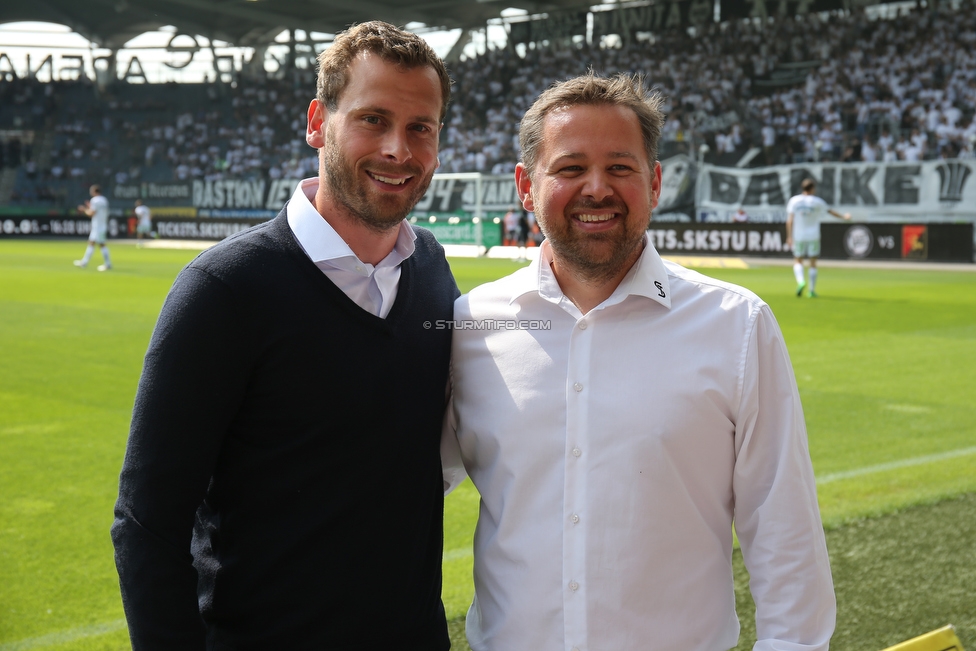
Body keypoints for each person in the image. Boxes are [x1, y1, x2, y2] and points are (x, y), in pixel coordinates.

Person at [445, 73, 836, 651]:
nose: (597, 188)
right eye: (571, 168)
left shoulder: (737, 324)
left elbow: (784, 533)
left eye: (620, 168)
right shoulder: (471, 325)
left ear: (654, 182)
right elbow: (402, 495)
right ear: (527, 186)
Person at [111, 21, 458, 650]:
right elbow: (146, 524)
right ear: (317, 122)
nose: (398, 150)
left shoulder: (431, 270)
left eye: (420, 128)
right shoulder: (224, 288)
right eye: (373, 119)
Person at [786, 177, 851, 298]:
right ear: (812, 188)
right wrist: (844, 217)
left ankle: (800, 281)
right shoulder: (817, 201)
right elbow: (831, 212)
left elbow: (789, 221)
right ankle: (811, 290)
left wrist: (789, 236)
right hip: (813, 235)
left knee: (798, 260)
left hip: (799, 235)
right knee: (813, 262)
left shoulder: (794, 201)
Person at [73, 184, 112, 271]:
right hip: (102, 224)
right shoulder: (104, 200)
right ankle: (84, 262)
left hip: (97, 226)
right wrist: (89, 208)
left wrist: (84, 209)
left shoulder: (95, 200)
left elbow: (91, 213)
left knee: (102, 245)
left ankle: (108, 264)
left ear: (94, 191)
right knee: (92, 243)